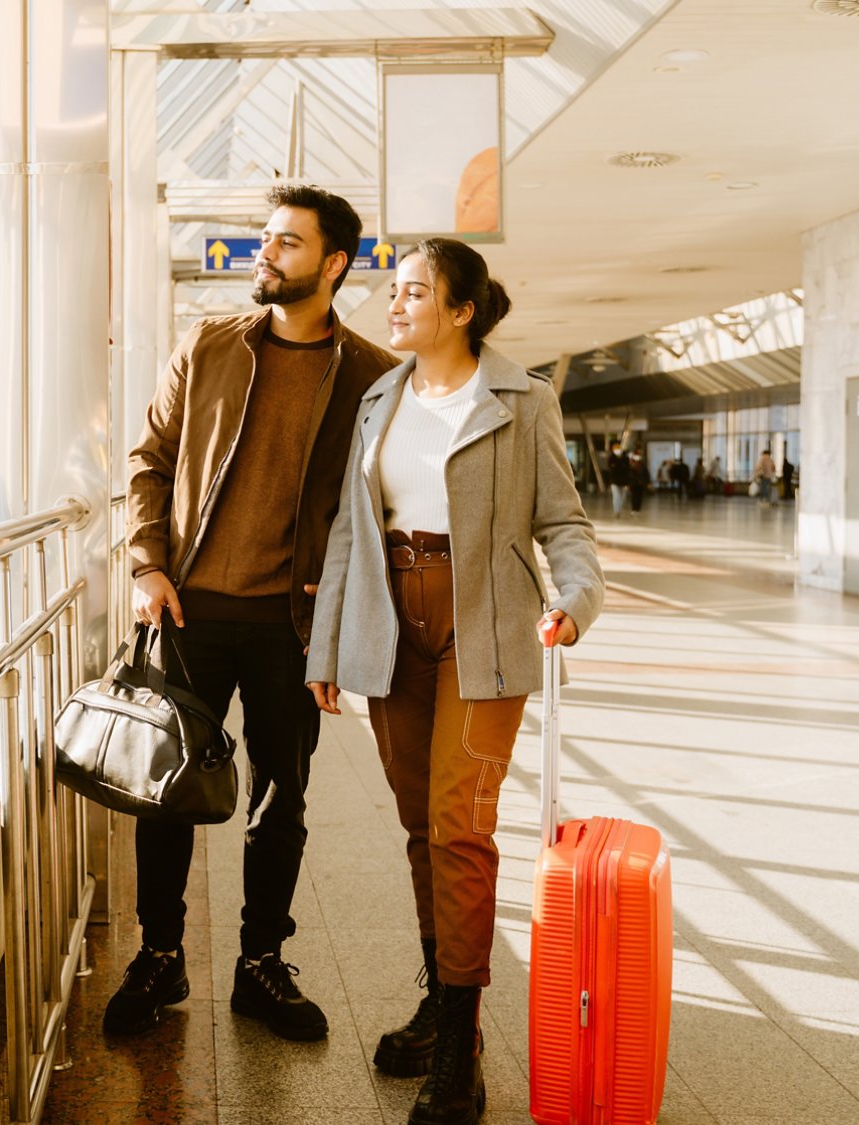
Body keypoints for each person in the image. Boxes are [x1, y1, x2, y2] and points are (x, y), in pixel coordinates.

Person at [305, 238, 603, 1125]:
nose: (394, 306)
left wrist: (578, 602)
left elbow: (565, 523)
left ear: (463, 309)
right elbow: (350, 535)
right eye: (393, 291)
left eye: (414, 293)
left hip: (484, 631)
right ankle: (444, 1003)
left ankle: (461, 1051)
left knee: (459, 827)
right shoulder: (379, 398)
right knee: (416, 826)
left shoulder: (522, 399)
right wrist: (326, 648)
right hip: (390, 623)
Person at [118, 185, 397, 1041]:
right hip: (190, 609)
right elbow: (151, 459)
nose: (263, 255)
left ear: (334, 263)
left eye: (285, 243)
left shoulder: (371, 377)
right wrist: (145, 564)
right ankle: (159, 955)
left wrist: (343, 621)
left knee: (283, 797)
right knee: (165, 793)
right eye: (263, 239)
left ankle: (260, 964)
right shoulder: (207, 345)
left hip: (290, 627)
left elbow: (380, 506)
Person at [605, 440, 631, 517]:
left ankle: (619, 509)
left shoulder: (625, 458)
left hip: (624, 481)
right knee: (616, 496)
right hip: (614, 481)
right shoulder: (611, 458)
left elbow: (627, 469)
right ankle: (617, 511)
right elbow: (610, 468)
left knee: (623, 497)